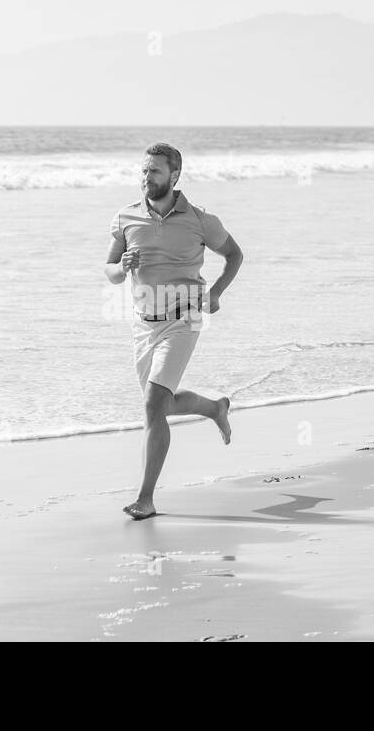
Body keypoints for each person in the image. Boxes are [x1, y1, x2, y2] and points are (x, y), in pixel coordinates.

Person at [103, 142, 245, 520]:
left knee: (153, 406)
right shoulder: (126, 217)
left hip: (184, 317)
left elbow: (235, 255)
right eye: (144, 171)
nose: (146, 178)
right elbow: (110, 270)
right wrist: (123, 266)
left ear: (175, 176)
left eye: (155, 172)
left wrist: (215, 293)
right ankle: (215, 407)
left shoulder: (200, 220)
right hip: (143, 322)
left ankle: (145, 499)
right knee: (161, 405)